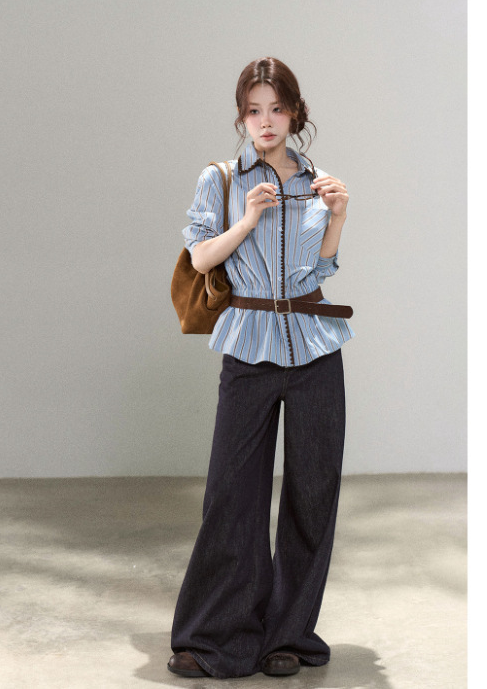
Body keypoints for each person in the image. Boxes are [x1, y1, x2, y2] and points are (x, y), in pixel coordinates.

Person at [168, 57, 355, 679]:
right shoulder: (220, 179)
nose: (265, 121)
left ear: (295, 113)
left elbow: (321, 270)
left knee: (312, 492)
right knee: (232, 494)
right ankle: (212, 636)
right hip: (248, 345)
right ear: (242, 117)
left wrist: (338, 218)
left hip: (315, 349)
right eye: (254, 110)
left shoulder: (320, 182)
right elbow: (200, 258)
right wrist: (247, 218)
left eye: (277, 109)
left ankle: (287, 635)